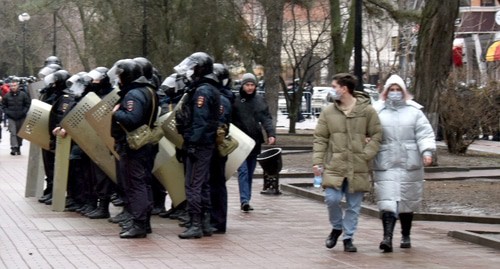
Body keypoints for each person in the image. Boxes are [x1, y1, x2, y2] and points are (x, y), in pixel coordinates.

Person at [312, 73, 382, 252]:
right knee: (332, 199)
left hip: (357, 166)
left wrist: (365, 154)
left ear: (344, 89)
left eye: (334, 86)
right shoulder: (328, 111)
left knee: (353, 205)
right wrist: (318, 162)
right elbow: (320, 138)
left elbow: (376, 135)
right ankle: (336, 227)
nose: (332, 90)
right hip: (335, 164)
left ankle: (348, 237)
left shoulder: (366, 111)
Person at [372, 74, 436, 252]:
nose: (394, 93)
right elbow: (369, 133)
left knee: (407, 200)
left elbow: (424, 134)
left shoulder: (415, 112)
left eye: (397, 90)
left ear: (403, 91)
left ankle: (406, 234)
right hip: (386, 162)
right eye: (391, 90)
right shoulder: (377, 111)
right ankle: (387, 238)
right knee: (388, 200)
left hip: (410, 162)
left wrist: (427, 152)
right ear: (385, 92)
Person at [108, 58, 159, 239]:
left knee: (136, 184)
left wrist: (116, 112)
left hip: (135, 146)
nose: (119, 79)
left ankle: (139, 224)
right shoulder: (149, 91)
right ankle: (144, 222)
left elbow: (132, 119)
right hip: (146, 144)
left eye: (120, 75)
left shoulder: (134, 94)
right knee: (143, 183)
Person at [174, 52, 220, 239]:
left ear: (200, 69)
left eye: (194, 67)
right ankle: (205, 222)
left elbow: (200, 121)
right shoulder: (207, 88)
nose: (190, 71)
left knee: (193, 185)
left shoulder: (202, 91)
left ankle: (196, 224)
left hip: (200, 145)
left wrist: (191, 143)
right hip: (205, 144)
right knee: (203, 184)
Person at [232, 73, 276, 212]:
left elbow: (266, 119)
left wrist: (271, 134)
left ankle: (247, 199)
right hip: (239, 142)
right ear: (242, 85)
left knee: (250, 172)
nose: (250, 87)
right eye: (247, 85)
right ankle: (244, 200)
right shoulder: (236, 101)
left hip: (254, 141)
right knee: (243, 171)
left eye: (252, 85)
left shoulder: (259, 101)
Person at [209, 63, 235, 234]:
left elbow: (219, 124)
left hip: (216, 146)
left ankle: (218, 221)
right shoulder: (219, 96)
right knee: (213, 184)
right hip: (213, 145)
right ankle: (213, 218)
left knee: (217, 184)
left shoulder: (221, 99)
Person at [2, 78, 31, 155]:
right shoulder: (7, 96)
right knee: (13, 132)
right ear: (10, 87)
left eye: (15, 85)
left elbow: (27, 104)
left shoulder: (23, 95)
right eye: (12, 86)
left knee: (20, 133)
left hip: (21, 116)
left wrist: (24, 111)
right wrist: (7, 112)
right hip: (11, 117)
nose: (13, 87)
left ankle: (19, 147)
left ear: (17, 86)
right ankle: (14, 147)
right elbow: (3, 105)